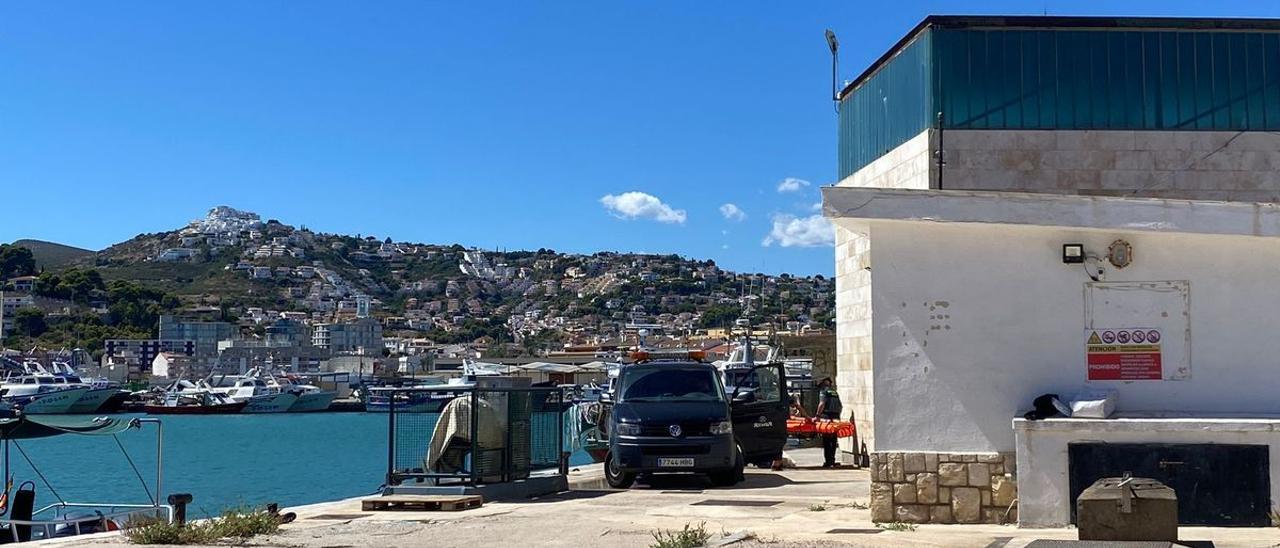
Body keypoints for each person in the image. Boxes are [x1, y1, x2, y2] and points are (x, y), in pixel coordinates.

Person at [813, 377, 842, 468]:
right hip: (835, 416)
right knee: (833, 439)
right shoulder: (835, 393)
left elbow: (822, 404)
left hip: (826, 416)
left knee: (826, 440)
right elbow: (840, 406)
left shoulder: (824, 392)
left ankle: (828, 461)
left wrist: (817, 415)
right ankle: (832, 460)